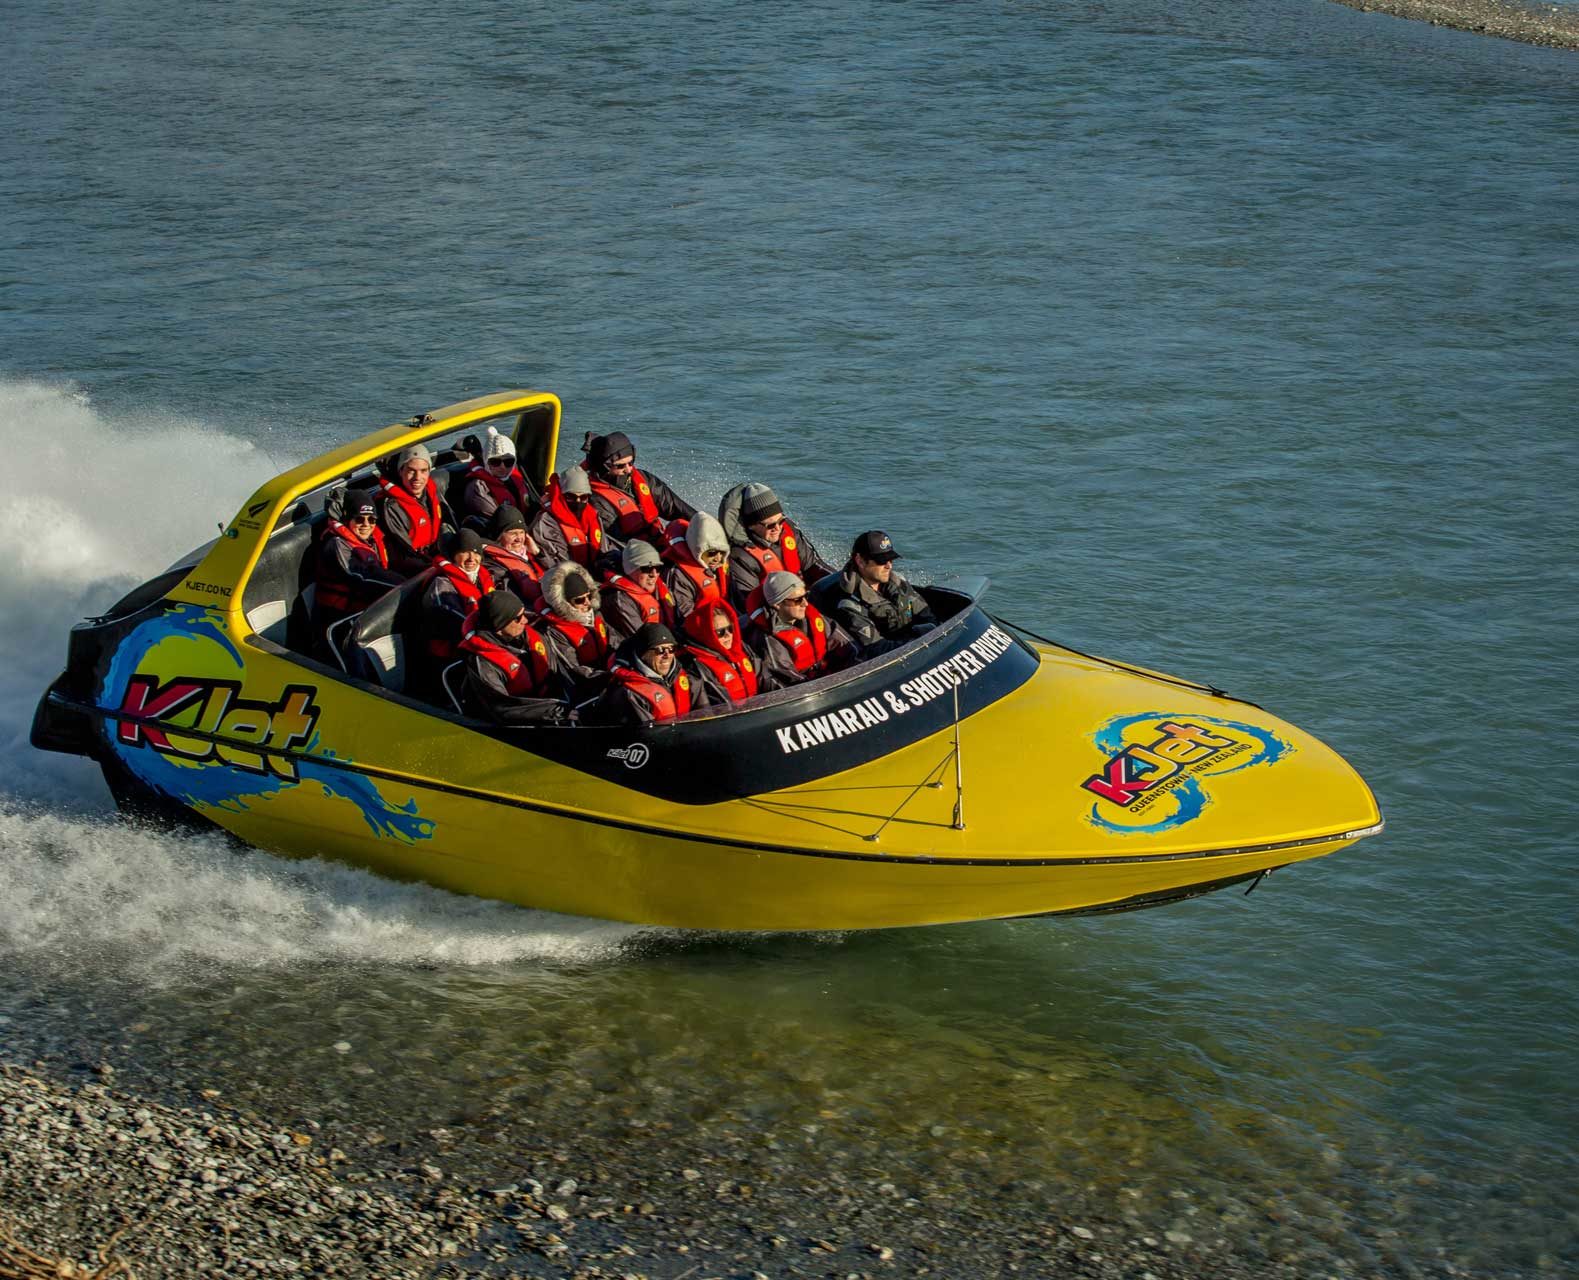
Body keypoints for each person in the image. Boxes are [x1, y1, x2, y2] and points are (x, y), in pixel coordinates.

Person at [457, 590, 572, 724]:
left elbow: (559, 671)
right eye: (518, 618)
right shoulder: (484, 663)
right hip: (513, 724)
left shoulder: (533, 636)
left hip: (550, 707)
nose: (525, 620)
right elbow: (501, 707)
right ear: (499, 625)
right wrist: (555, 710)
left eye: (523, 613)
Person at [817, 530, 937, 657]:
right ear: (860, 561)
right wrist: (916, 642)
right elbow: (876, 649)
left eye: (891, 559)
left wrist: (924, 631)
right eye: (882, 561)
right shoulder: (849, 604)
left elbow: (927, 616)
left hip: (912, 644)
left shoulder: (898, 582)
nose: (889, 566)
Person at [718, 482, 832, 613]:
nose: (778, 528)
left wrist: (837, 580)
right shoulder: (739, 555)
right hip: (778, 612)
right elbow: (749, 603)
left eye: (780, 521)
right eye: (770, 525)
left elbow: (813, 565)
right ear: (751, 525)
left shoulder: (788, 530)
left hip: (802, 600)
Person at [313, 488, 405, 648]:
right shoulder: (337, 546)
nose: (366, 525)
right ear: (348, 518)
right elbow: (361, 577)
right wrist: (401, 587)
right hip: (342, 621)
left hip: (369, 611)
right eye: (359, 519)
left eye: (372, 519)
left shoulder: (372, 539)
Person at [581, 430, 695, 548]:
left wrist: (704, 524)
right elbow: (614, 542)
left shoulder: (644, 479)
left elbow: (674, 507)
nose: (628, 469)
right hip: (631, 555)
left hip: (659, 541)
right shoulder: (594, 499)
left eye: (631, 463)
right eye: (620, 466)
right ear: (604, 466)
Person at [749, 571, 858, 686]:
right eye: (798, 600)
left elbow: (847, 646)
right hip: (807, 689)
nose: (805, 604)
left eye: (805, 596)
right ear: (777, 604)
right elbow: (789, 680)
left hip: (830, 677)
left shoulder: (812, 617)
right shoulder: (768, 640)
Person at [590, 623, 701, 725]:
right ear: (643, 653)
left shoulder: (690, 680)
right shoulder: (629, 694)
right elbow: (645, 736)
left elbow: (704, 716)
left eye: (672, 649)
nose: (667, 655)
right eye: (660, 650)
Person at [422, 529, 496, 671]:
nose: (471, 558)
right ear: (454, 555)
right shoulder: (441, 586)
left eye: (476, 553)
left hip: (481, 641)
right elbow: (454, 623)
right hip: (450, 655)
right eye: (464, 552)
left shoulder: (483, 576)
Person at [378, 443, 454, 574]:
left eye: (423, 471)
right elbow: (405, 552)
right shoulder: (392, 506)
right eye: (411, 470)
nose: (417, 478)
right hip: (413, 567)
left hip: (437, 555)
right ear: (401, 471)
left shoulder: (431, 492)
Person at [538, 561, 612, 692]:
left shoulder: (596, 616)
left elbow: (615, 641)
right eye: (579, 600)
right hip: (589, 685)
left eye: (588, 596)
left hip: (609, 670)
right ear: (564, 603)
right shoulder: (554, 632)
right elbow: (573, 668)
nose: (587, 603)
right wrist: (608, 677)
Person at [681, 599, 765, 703]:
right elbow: (719, 702)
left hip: (758, 711)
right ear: (707, 635)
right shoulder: (698, 667)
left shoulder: (743, 650)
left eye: (730, 628)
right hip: (734, 716)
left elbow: (765, 678)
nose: (728, 635)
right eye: (720, 632)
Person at [600, 539, 678, 644]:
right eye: (647, 568)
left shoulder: (659, 587)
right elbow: (641, 640)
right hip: (648, 650)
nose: (654, 574)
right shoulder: (619, 599)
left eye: (658, 568)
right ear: (630, 569)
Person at [460, 426, 536, 527]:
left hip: (522, 529)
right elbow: (496, 524)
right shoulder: (478, 488)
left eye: (508, 462)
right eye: (495, 462)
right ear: (486, 462)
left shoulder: (516, 477)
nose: (502, 467)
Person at [530, 466, 605, 568]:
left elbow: (604, 548)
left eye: (583, 497)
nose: (578, 502)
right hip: (565, 577)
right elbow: (557, 564)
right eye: (571, 497)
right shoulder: (546, 522)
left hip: (595, 572)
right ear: (561, 495)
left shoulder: (593, 517)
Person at [664, 512, 731, 620]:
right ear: (697, 550)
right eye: (712, 552)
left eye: (722, 552)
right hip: (702, 628)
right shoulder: (680, 575)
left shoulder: (720, 566)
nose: (718, 558)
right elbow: (685, 616)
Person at [481, 504, 548, 610]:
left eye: (521, 532)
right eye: (513, 534)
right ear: (499, 536)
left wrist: (538, 554)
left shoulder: (530, 554)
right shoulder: (493, 564)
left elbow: (557, 572)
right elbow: (512, 601)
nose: (519, 539)